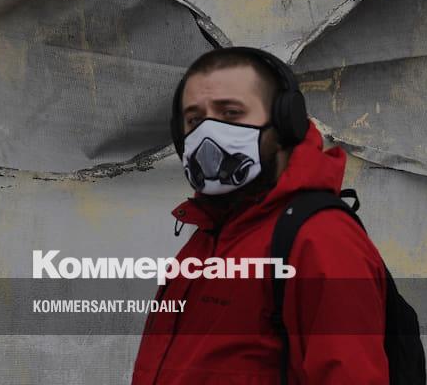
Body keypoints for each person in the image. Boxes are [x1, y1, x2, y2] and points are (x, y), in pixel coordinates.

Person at [131, 46, 390, 384]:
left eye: (230, 113)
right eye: (194, 120)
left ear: (284, 123)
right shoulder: (209, 237)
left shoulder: (321, 239)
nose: (207, 134)